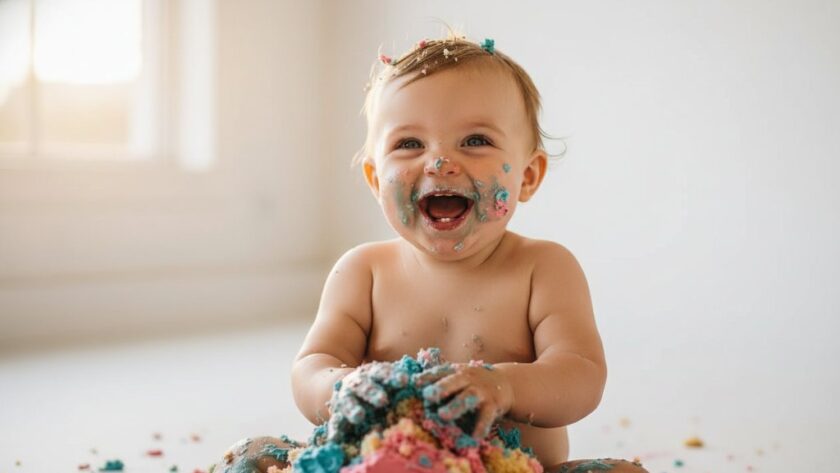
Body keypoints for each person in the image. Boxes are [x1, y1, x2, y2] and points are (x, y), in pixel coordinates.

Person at [213, 34, 648, 473]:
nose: (439, 162)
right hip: (378, 463)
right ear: (375, 180)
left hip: (509, 467)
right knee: (251, 454)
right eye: (409, 144)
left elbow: (581, 375)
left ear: (529, 175)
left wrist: (505, 387)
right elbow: (311, 367)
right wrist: (343, 387)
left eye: (475, 140)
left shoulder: (545, 269)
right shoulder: (363, 272)